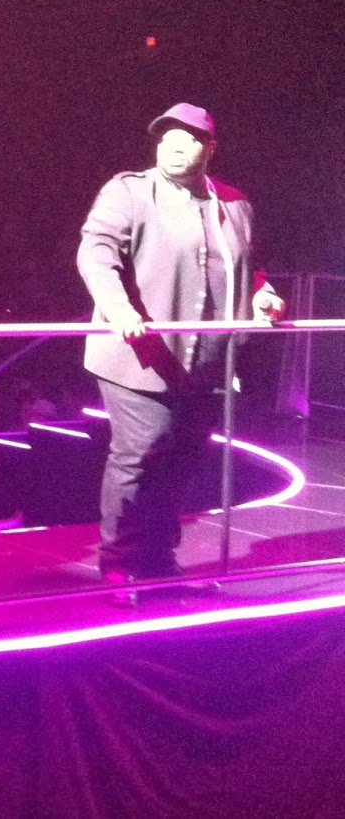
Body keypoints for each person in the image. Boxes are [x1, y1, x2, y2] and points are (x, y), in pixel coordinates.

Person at [78, 103, 284, 593]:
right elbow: (97, 252)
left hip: (208, 363)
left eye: (188, 138)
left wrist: (263, 295)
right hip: (139, 357)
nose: (174, 145)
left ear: (210, 148)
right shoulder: (129, 191)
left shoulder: (234, 203)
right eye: (166, 137)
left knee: (181, 461)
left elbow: (247, 268)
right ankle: (118, 565)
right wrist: (117, 307)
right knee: (140, 454)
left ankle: (157, 562)